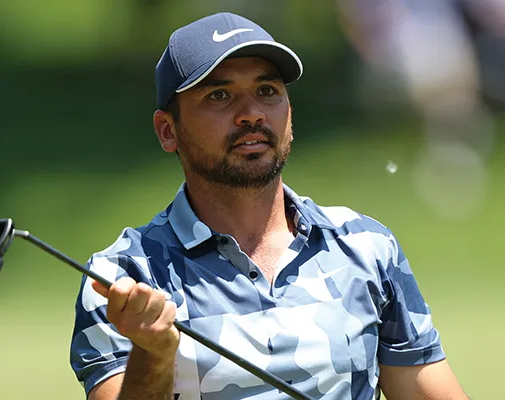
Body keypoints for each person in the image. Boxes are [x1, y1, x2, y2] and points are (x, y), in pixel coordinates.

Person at [70, 12, 469, 400]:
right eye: (220, 95)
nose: (252, 114)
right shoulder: (123, 278)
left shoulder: (366, 246)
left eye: (267, 91)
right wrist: (152, 354)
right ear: (168, 130)